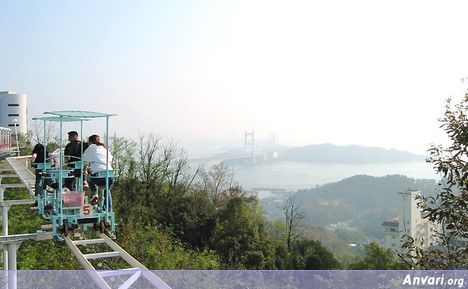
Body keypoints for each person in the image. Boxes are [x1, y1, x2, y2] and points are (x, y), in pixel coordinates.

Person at [82, 135, 113, 207]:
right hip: (110, 174)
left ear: (90, 142)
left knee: (89, 179)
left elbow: (85, 160)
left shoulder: (91, 148)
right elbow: (110, 159)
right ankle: (108, 209)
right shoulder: (104, 148)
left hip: (99, 176)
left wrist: (85, 169)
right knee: (107, 191)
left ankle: (94, 194)